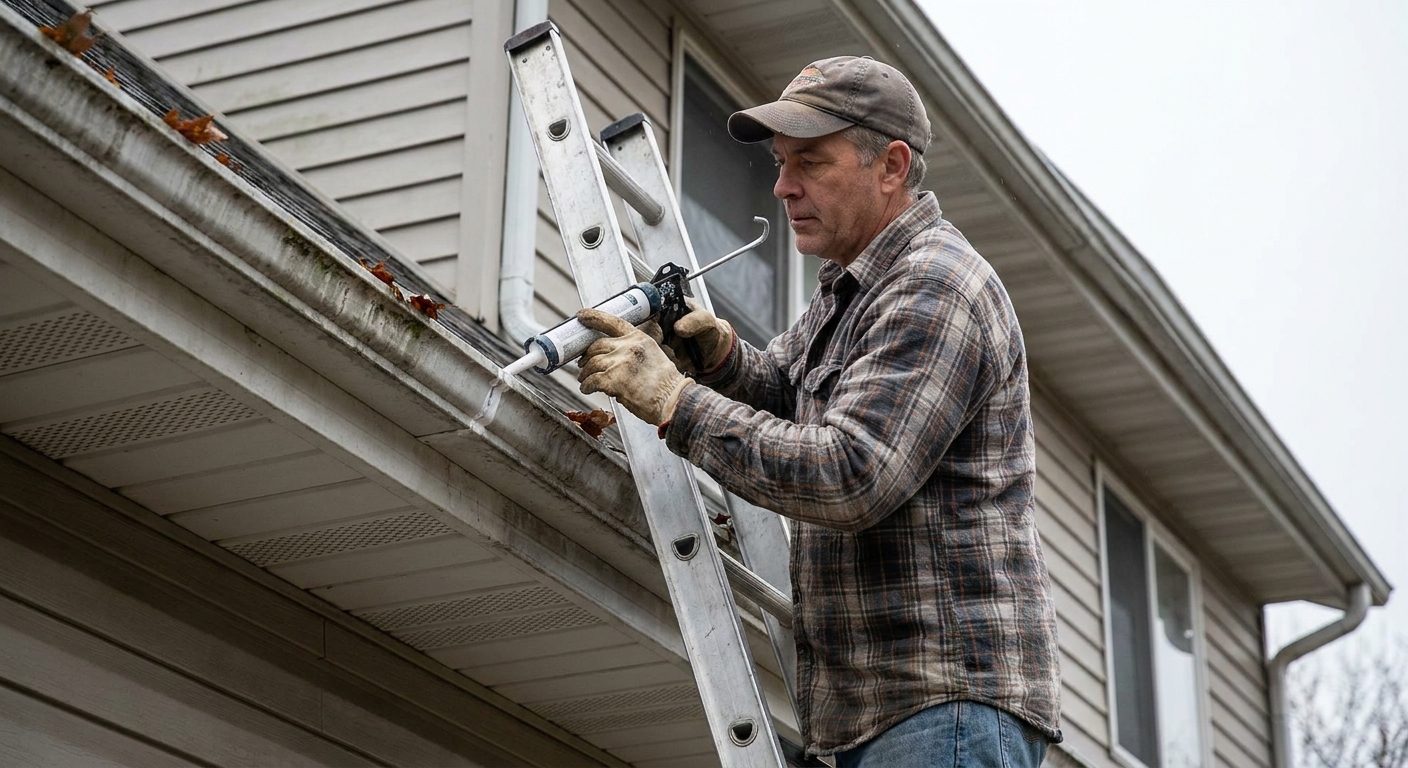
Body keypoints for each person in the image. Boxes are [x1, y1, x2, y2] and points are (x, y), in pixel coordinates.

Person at [574, 55, 1061, 767]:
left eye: (810, 161)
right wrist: (722, 362)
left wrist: (675, 402)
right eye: (779, 162)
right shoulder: (853, 289)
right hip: (884, 714)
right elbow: (792, 394)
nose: (782, 186)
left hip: (942, 704)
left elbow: (852, 471)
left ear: (891, 166)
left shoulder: (935, 287)